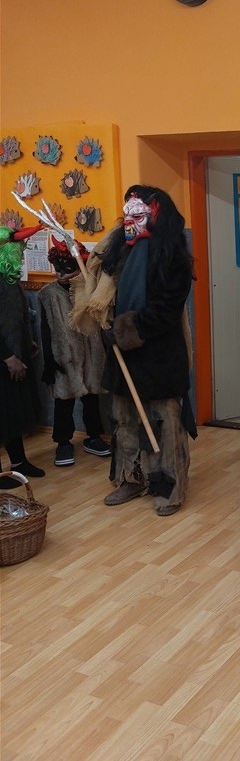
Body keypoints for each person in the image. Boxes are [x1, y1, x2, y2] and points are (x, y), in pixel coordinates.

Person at [70, 185, 196, 516]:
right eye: (127, 215)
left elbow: (166, 310)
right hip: (123, 356)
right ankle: (131, 478)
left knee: (165, 422)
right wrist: (106, 318)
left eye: (137, 215)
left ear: (156, 216)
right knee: (124, 419)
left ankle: (168, 487)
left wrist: (126, 330)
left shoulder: (173, 258)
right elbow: (104, 291)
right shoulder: (119, 253)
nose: (129, 221)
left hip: (159, 356)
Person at [38, 236, 111, 467]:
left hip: (91, 351)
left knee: (91, 397)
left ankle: (94, 436)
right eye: (57, 269)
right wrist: (49, 359)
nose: (60, 274)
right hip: (64, 354)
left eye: (66, 269)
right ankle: (63, 441)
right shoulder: (48, 294)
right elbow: (45, 328)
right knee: (64, 401)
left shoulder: (89, 288)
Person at [0, 224, 46, 488]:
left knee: (13, 411)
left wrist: (26, 341)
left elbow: (13, 316)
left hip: (14, 351)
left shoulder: (7, 278)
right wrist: (8, 357)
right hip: (4, 358)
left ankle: (18, 463)